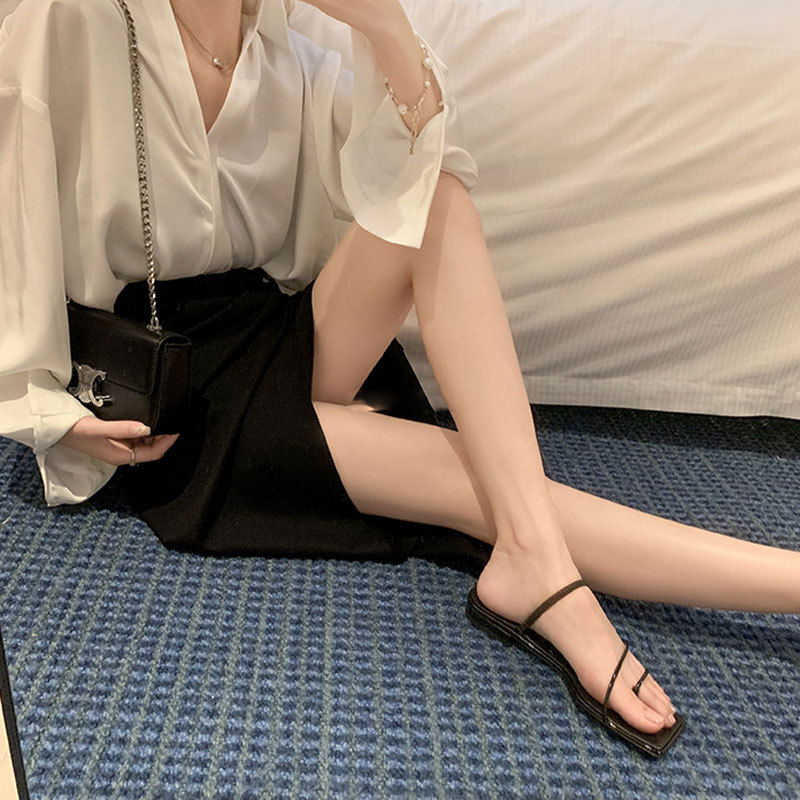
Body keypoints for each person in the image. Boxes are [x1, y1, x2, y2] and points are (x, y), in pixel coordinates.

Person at [1, 0, 798, 756]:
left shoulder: (289, 41)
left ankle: (535, 558)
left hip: (273, 324)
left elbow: (418, 168)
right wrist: (48, 413)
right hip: (168, 380)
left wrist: (384, 24)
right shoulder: (68, 20)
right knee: (478, 489)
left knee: (439, 202)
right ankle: (652, 574)